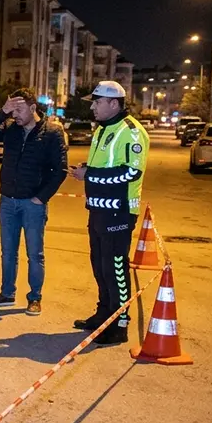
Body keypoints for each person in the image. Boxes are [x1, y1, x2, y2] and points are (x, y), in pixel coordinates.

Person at [70, 80, 150, 346]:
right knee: (100, 266)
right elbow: (105, 166)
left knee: (116, 269)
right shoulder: (104, 129)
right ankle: (104, 315)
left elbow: (131, 172)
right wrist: (86, 169)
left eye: (97, 102)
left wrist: (89, 174)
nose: (92, 107)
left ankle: (119, 325)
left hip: (119, 212)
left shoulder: (131, 131)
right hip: (99, 210)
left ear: (114, 104)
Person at [0, 88, 68, 316]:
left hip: (32, 204)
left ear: (32, 108)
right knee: (8, 252)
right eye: (12, 111)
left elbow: (60, 170)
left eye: (19, 110)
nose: (15, 115)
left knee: (35, 254)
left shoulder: (52, 133)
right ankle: (7, 293)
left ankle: (35, 298)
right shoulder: (11, 129)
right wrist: (2, 111)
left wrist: (41, 198)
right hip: (8, 201)